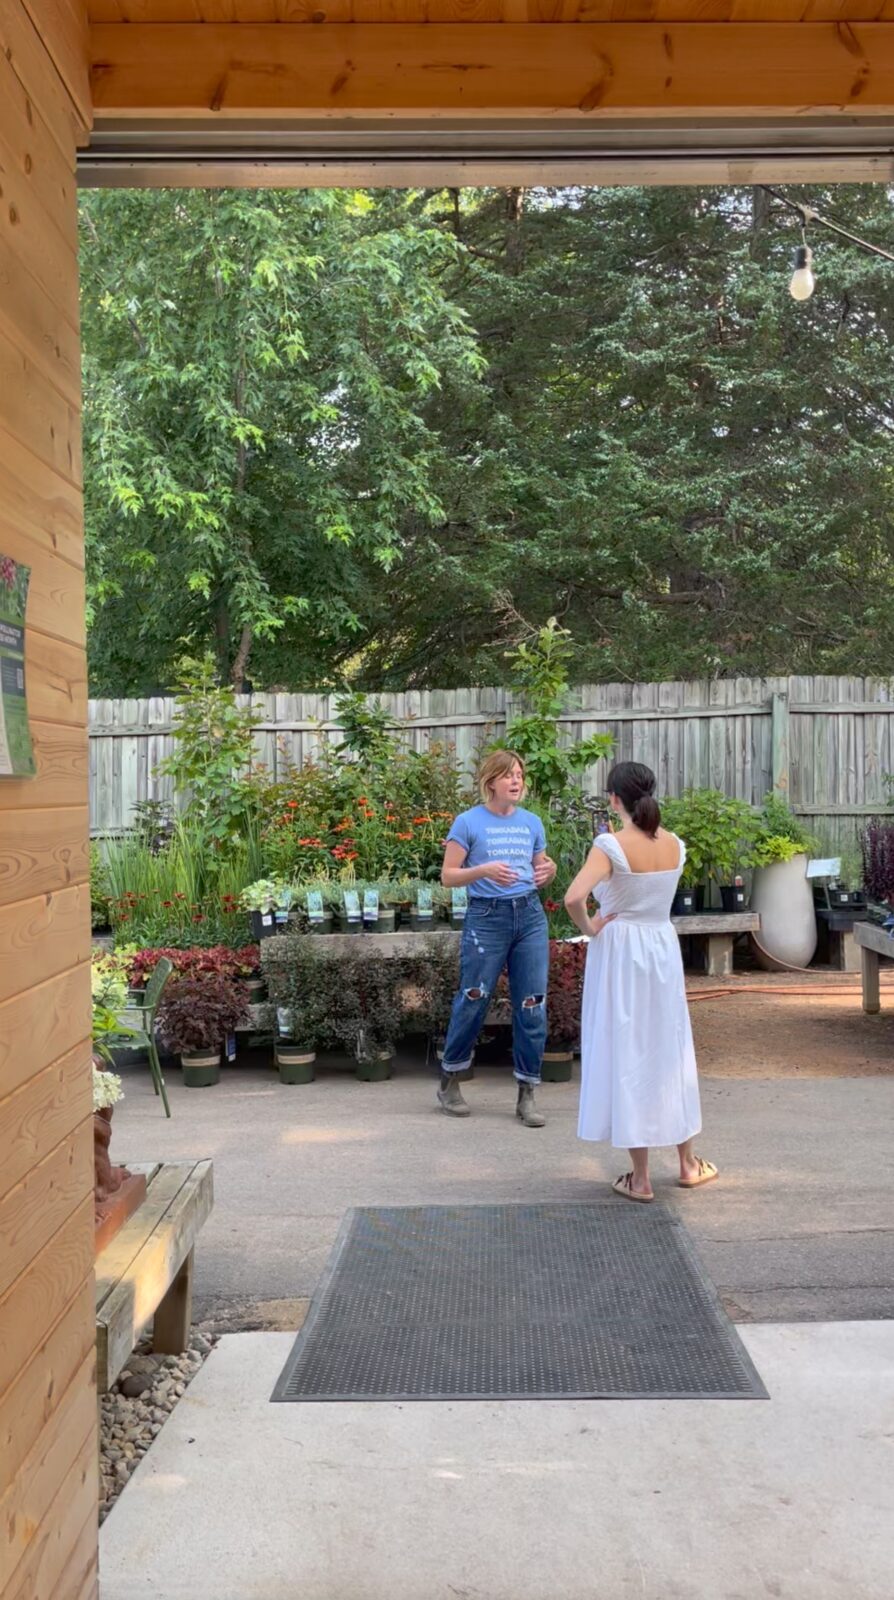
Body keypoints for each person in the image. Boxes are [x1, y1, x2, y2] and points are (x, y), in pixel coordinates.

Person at [564, 761, 718, 1200]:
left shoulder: (610, 845)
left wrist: (591, 927)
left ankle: (641, 1177)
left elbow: (574, 897)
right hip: (661, 948)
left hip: (621, 953)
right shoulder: (675, 845)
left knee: (627, 1048)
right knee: (669, 1048)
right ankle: (688, 1163)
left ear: (615, 799)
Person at [437, 750, 556, 1126]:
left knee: (532, 1004)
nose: (517, 781)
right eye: (508, 776)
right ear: (491, 782)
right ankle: (451, 1079)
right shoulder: (468, 822)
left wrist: (547, 871)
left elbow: (541, 866)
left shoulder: (532, 822)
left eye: (520, 774)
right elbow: (448, 876)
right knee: (474, 999)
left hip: (530, 916)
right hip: (486, 918)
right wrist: (483, 869)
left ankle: (527, 1094)